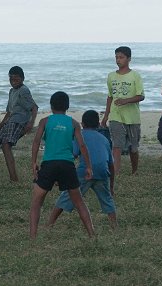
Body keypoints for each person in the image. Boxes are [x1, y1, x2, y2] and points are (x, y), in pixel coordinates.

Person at [29, 92, 95, 239]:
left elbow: (36, 142)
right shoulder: (73, 123)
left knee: (36, 202)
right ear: (67, 106)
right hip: (67, 165)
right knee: (79, 202)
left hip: (49, 164)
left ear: (51, 106)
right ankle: (92, 234)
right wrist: (89, 166)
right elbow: (82, 146)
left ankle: (32, 237)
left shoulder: (45, 121)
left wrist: (33, 162)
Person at [47, 110, 117, 229]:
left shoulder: (79, 135)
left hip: (84, 172)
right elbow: (111, 165)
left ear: (82, 124)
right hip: (102, 172)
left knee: (66, 197)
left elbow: (72, 155)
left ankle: (49, 224)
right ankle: (114, 226)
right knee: (107, 199)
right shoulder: (105, 139)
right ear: (98, 124)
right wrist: (111, 186)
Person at [100, 46, 144, 175]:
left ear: (128, 59)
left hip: (132, 117)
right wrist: (106, 116)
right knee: (116, 146)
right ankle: (116, 172)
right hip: (116, 116)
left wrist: (125, 101)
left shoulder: (135, 76)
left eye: (121, 57)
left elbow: (141, 96)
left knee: (133, 147)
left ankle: (134, 170)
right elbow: (110, 97)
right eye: (116, 57)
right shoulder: (111, 76)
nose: (118, 60)